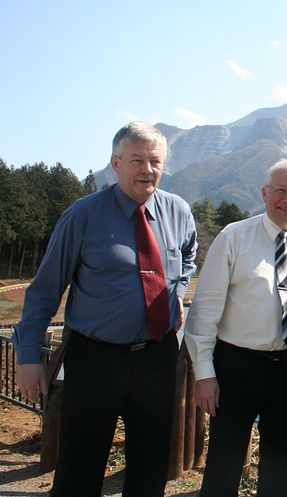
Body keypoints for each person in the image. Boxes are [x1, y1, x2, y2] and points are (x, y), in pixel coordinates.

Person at [12, 121, 198, 497]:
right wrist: (28, 355)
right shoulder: (84, 214)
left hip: (156, 357)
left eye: (155, 161)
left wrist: (175, 289)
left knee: (150, 465)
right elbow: (46, 289)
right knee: (80, 466)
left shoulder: (178, 210)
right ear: (115, 164)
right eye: (136, 160)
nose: (147, 169)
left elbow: (189, 257)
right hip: (94, 359)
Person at [184, 159, 287, 497]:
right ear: (264, 193)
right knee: (224, 460)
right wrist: (204, 374)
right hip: (237, 366)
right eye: (280, 191)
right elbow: (205, 311)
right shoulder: (234, 237)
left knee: (282, 464)